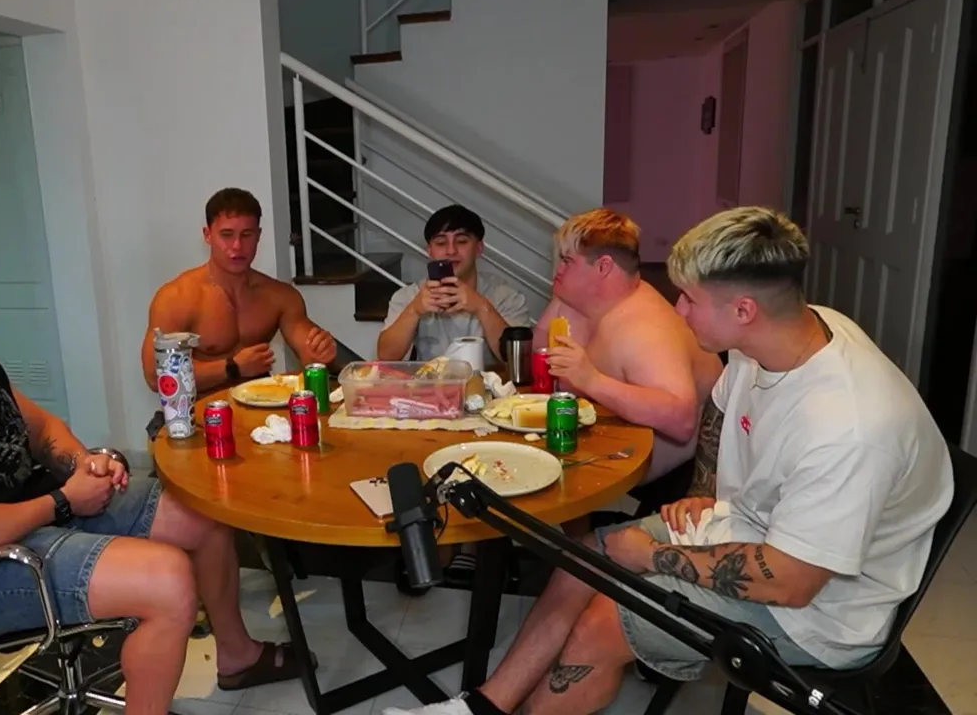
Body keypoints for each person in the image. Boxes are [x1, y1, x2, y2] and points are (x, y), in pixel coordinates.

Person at [385, 206, 954, 715]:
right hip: (752, 530)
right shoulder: (782, 333)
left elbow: (792, 582)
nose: (677, 310)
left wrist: (655, 555)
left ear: (744, 309)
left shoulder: (849, 427)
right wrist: (704, 491)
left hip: (821, 613)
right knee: (582, 555)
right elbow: (720, 412)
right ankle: (481, 708)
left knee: (601, 624)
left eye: (690, 300)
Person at [0, 232, 311, 715]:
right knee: (167, 580)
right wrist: (62, 502)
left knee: (203, 515)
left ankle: (237, 656)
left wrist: (81, 464)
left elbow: (42, 429)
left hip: (40, 516)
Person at [532, 208, 723, 485]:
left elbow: (682, 421)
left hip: (671, 485)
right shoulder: (572, 300)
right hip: (597, 457)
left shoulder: (643, 328)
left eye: (567, 261)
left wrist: (592, 380)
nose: (558, 270)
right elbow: (539, 364)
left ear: (603, 267)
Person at [142, 187, 337, 395]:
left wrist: (319, 353)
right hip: (201, 411)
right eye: (227, 235)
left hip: (262, 411)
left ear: (258, 236)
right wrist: (232, 367)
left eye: (246, 235)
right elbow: (155, 377)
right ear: (207, 235)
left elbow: (309, 349)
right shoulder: (177, 298)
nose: (237, 245)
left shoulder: (280, 296)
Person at [377, 204, 530, 366]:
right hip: (431, 381)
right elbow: (386, 357)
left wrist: (481, 307)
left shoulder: (506, 296)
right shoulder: (410, 296)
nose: (451, 251)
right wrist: (414, 310)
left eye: (461, 241)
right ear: (429, 251)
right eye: (441, 243)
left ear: (479, 249)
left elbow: (519, 361)